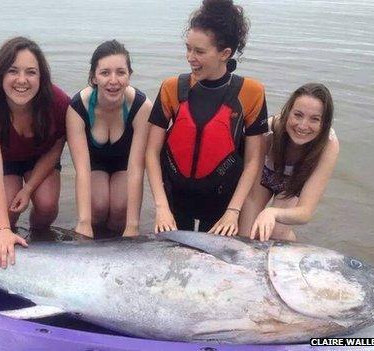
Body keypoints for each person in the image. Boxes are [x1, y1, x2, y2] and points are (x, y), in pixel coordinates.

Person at [146, 0, 268, 235]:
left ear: (225, 53)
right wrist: (161, 207)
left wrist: (233, 211)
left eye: (199, 51)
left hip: (221, 206)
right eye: (188, 48)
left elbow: (254, 161)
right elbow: (151, 152)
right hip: (174, 202)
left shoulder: (251, 93)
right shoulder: (172, 88)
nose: (190, 57)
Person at [0, 37, 70, 268]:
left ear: (41, 77)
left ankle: (38, 236)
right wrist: (3, 229)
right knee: (6, 211)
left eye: (31, 72)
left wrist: (29, 188)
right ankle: (7, 238)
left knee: (46, 206)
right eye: (13, 71)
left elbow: (56, 149)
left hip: (40, 156)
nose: (22, 80)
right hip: (2, 160)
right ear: (0, 75)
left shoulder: (58, 102)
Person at [66, 40, 152, 238]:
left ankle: (114, 240)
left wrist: (133, 226)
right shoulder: (78, 108)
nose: (113, 80)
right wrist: (83, 223)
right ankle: (96, 237)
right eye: (105, 73)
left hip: (124, 166)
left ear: (129, 75)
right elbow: (82, 169)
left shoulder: (141, 107)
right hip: (93, 167)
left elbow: (137, 169)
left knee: (120, 209)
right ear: (94, 77)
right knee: (98, 206)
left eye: (120, 72)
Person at [238, 83, 339, 241]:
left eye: (315, 119)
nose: (303, 126)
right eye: (298, 115)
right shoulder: (269, 131)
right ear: (287, 113)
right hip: (265, 175)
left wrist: (272, 212)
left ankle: (291, 242)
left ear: (324, 123)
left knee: (277, 235)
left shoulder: (328, 145)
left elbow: (305, 213)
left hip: (294, 183)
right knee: (247, 236)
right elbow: (250, 186)